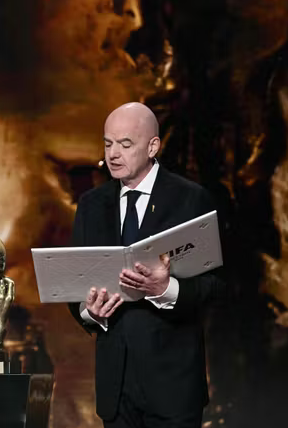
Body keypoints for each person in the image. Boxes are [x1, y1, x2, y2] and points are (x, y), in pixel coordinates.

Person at [69, 102, 223, 428]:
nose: (113, 154)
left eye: (125, 144)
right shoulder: (91, 205)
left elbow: (216, 284)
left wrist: (165, 288)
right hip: (116, 390)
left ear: (153, 147)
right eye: (108, 144)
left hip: (172, 387)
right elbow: (74, 284)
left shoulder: (190, 199)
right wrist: (89, 312)